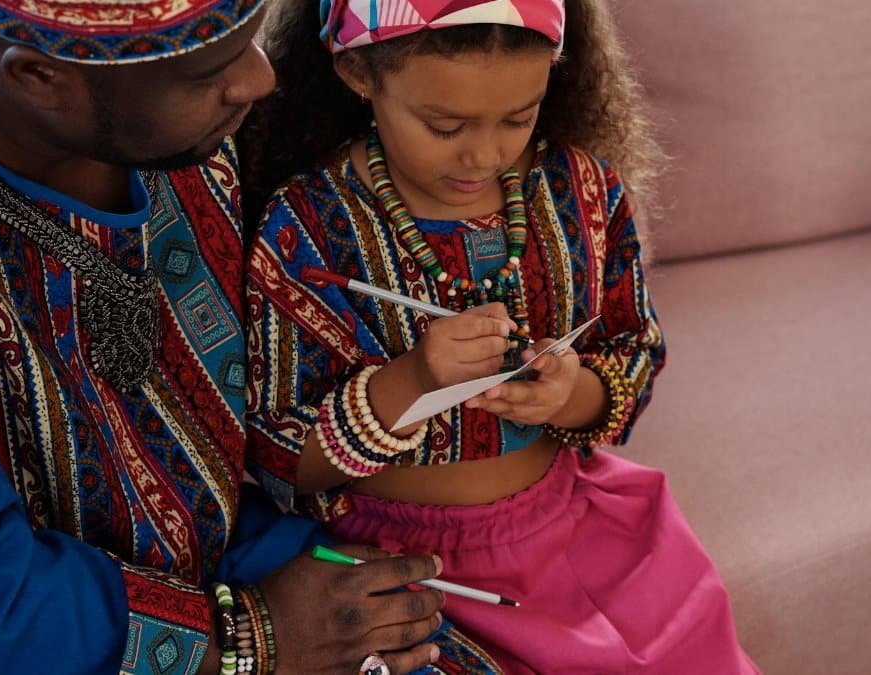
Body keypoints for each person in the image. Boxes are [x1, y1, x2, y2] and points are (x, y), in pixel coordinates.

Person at [240, 0, 759, 671]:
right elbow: (279, 459)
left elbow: (633, 353)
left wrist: (571, 394)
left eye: (519, 117)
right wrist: (412, 380)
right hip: (404, 574)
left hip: (579, 530)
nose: (484, 154)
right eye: (445, 125)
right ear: (358, 72)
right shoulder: (306, 229)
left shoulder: (581, 192)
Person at [0, 1, 466, 672]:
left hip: (261, 554)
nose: (259, 78)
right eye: (207, 72)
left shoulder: (185, 129)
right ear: (41, 79)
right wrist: (247, 637)